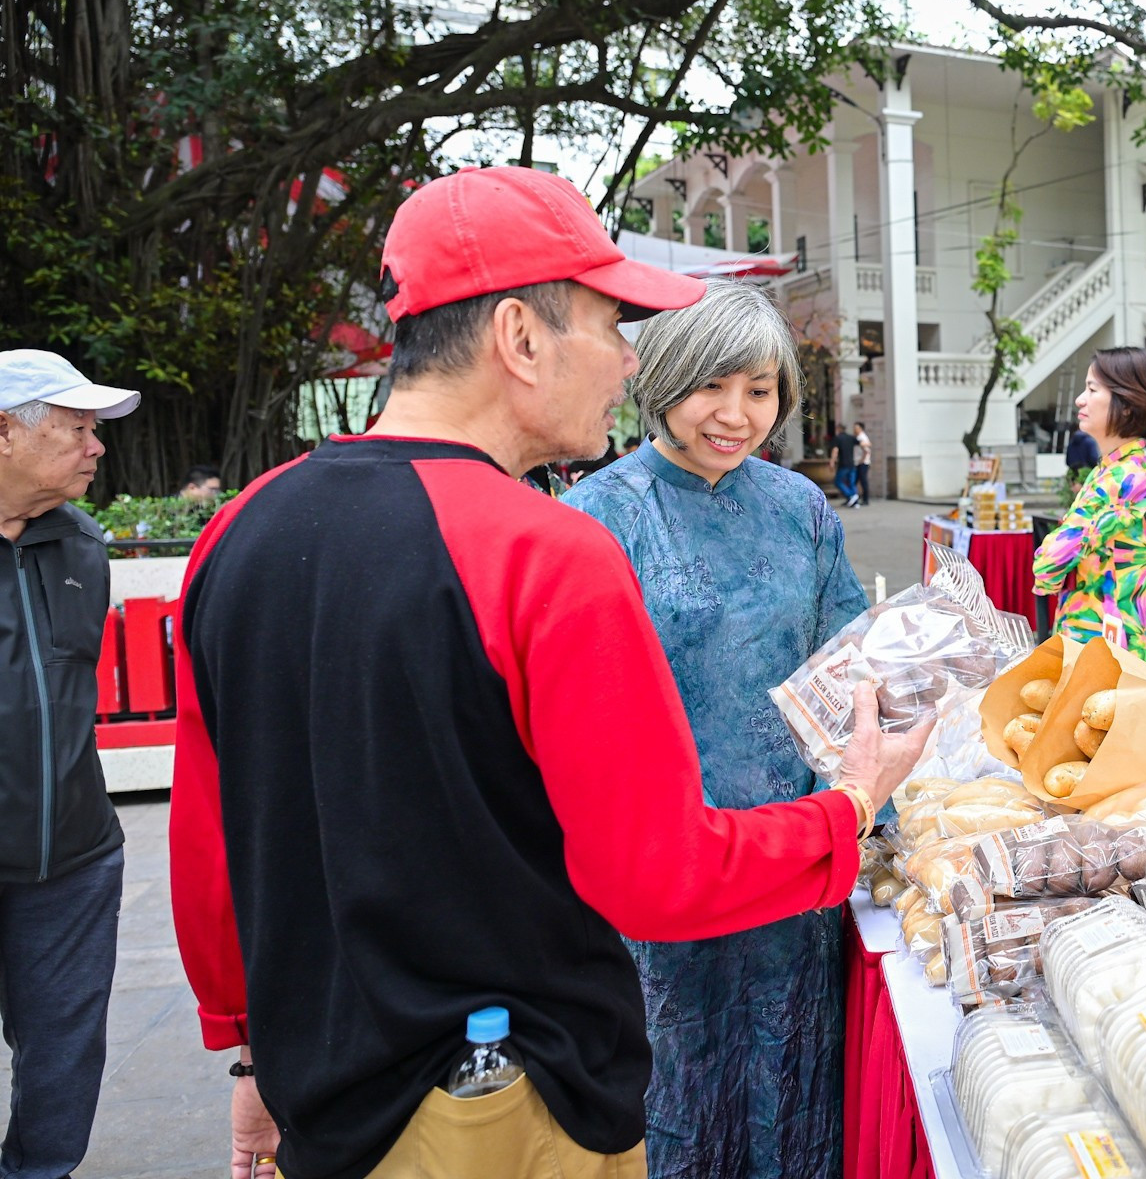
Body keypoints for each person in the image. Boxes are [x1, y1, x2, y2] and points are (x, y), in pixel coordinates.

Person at [169, 167, 930, 1179]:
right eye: (611, 327)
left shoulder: (239, 529)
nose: (626, 361)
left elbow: (213, 832)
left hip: (328, 1090)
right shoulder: (550, 549)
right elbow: (654, 872)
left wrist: (246, 1054)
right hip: (508, 1092)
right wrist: (847, 807)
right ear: (522, 338)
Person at [564, 282, 868, 1179]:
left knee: (791, 1077)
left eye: (762, 390)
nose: (737, 415)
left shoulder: (801, 509)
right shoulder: (595, 519)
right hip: (664, 867)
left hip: (794, 857)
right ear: (663, 378)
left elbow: (847, 657)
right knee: (676, 1090)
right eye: (713, 387)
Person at [0, 349, 141, 1179]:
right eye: (77, 429)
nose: (96, 448)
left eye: (96, 431)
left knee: (64, 1056)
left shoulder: (81, 542)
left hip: (74, 858)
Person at [1032, 346, 1146, 659]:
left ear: (1127, 405)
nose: (1080, 399)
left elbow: (1048, 564)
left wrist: (1050, 559)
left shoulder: (1124, 478)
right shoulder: (1122, 468)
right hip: (1099, 644)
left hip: (1108, 652)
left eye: (1092, 389)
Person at [831, 423, 858, 506]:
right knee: (851, 482)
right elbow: (862, 444)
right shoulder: (851, 438)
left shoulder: (838, 438)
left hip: (843, 464)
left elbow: (835, 450)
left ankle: (851, 495)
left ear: (838, 429)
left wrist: (832, 461)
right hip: (852, 463)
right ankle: (854, 502)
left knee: (838, 481)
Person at [852, 420, 871, 507]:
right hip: (859, 462)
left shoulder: (861, 438)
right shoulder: (859, 437)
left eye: (856, 428)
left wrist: (862, 460)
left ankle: (865, 499)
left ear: (861, 429)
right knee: (856, 481)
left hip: (862, 463)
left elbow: (866, 450)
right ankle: (854, 498)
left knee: (862, 481)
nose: (854, 430)